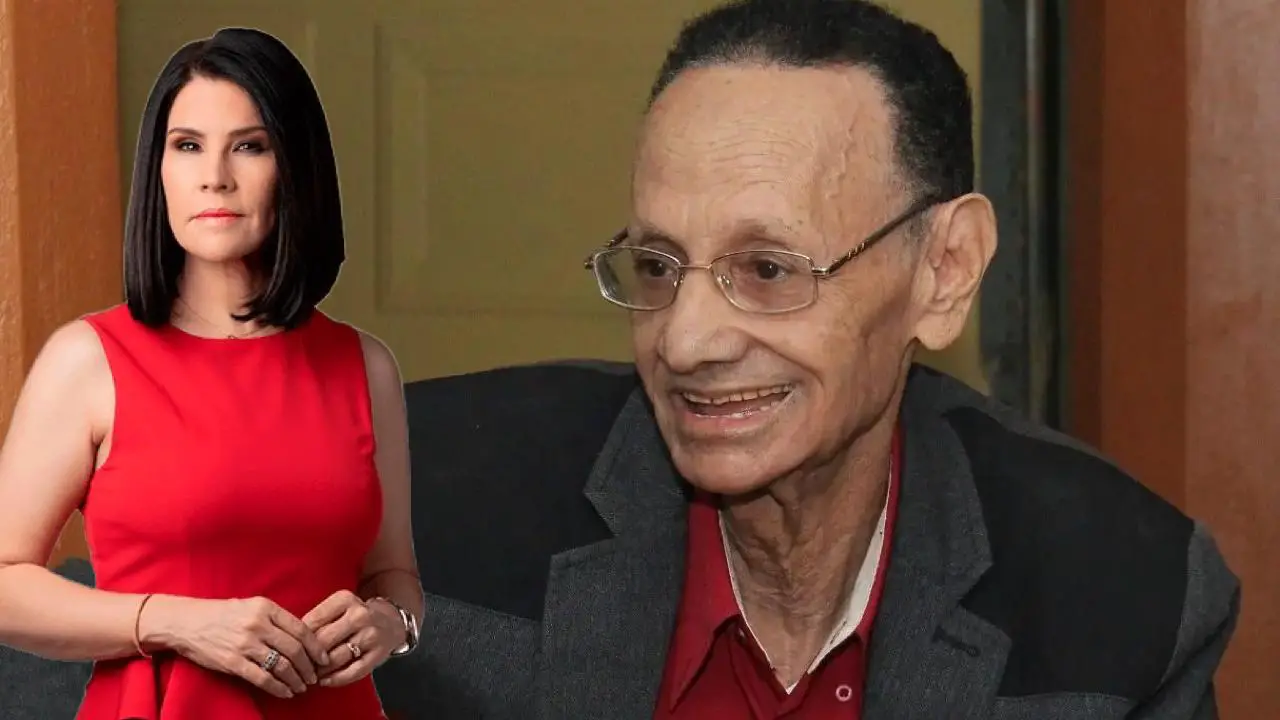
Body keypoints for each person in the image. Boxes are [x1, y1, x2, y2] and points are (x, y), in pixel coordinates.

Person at [372, 1, 1241, 718]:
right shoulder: (412, 510)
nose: (685, 341)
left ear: (944, 271)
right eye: (658, 266)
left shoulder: (1120, 602)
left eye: (768, 270)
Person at [0, 28, 422, 719]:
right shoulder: (89, 360)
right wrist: (174, 621)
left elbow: (393, 574)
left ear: (296, 167)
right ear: (159, 169)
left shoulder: (364, 367)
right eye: (188, 145)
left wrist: (391, 624)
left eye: (249, 146)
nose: (215, 176)